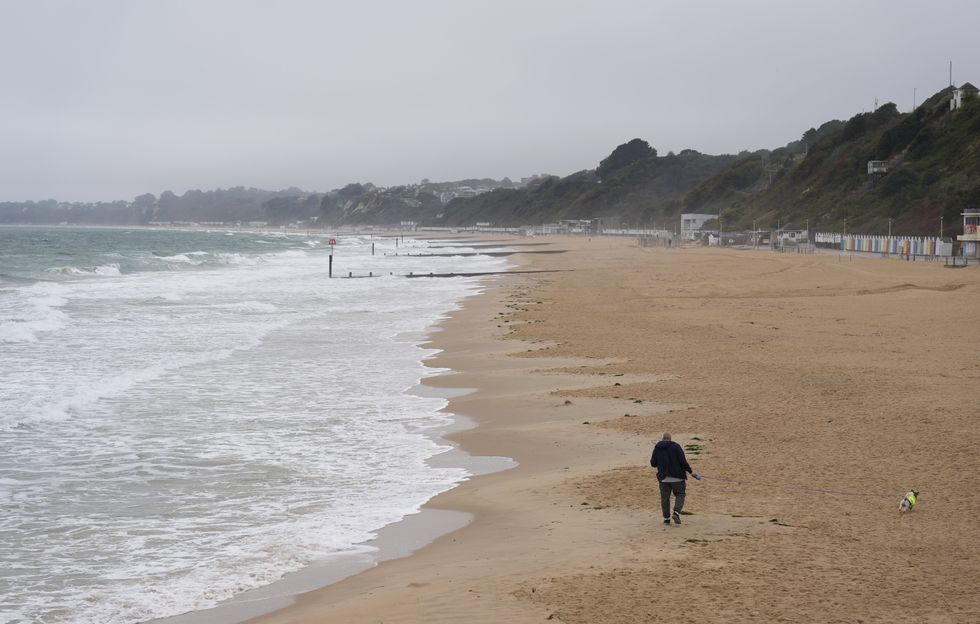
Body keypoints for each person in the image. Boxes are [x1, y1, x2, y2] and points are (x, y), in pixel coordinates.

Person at [650, 432, 699, 525]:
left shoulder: (657, 448)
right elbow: (683, 461)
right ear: (670, 439)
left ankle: (666, 518)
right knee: (680, 494)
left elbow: (653, 463)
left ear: (663, 438)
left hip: (664, 478)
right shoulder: (676, 446)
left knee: (665, 498)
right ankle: (676, 512)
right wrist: (691, 472)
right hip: (678, 477)